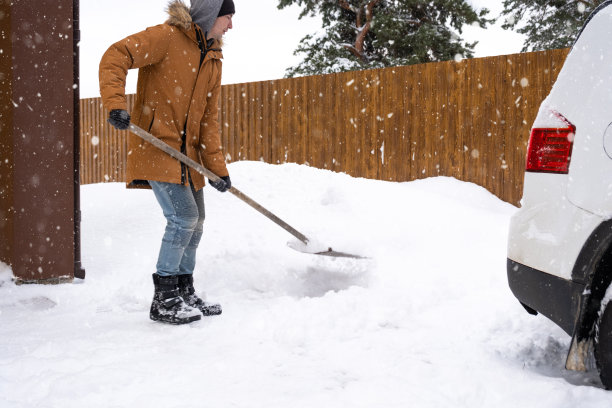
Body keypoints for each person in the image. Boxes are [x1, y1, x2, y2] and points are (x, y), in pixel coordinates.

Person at [99, 0, 235, 324]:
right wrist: (115, 103)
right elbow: (115, 55)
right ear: (210, 15)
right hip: (157, 146)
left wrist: (217, 170)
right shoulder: (166, 37)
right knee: (183, 217)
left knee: (197, 220)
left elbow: (208, 122)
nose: (231, 26)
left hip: (187, 157)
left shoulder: (213, 59)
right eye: (227, 18)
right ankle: (164, 298)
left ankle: (184, 291)